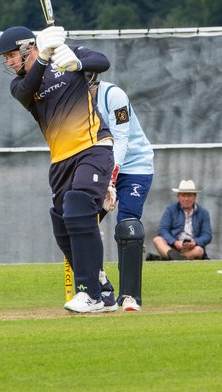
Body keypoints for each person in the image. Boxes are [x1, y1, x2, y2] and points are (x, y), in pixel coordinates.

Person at [0, 23, 116, 314]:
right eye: (6, 58)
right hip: (60, 159)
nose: (9, 62)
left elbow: (103, 61)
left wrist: (76, 61)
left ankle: (89, 294)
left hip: (93, 146)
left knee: (77, 208)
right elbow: (28, 88)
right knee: (62, 225)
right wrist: (44, 57)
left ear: (27, 46)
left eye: (12, 55)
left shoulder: (69, 54)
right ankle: (102, 288)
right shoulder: (20, 85)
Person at [93, 75, 154, 311]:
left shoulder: (114, 96)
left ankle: (130, 296)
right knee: (81, 222)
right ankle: (95, 288)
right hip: (99, 166)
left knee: (129, 227)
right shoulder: (71, 99)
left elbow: (121, 139)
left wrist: (111, 180)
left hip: (135, 166)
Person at [151, 179, 213, 260]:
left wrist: (195, 242)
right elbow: (163, 230)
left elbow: (207, 235)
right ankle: (175, 256)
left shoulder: (203, 213)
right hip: (172, 247)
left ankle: (174, 258)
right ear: (178, 197)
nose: (186, 199)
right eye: (183, 195)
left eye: (189, 195)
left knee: (199, 250)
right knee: (157, 240)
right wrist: (174, 242)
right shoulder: (170, 210)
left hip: (192, 248)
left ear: (195, 197)